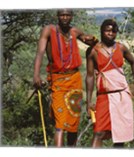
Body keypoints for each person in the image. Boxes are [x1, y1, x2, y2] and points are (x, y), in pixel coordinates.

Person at [33, 9, 97, 147]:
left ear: (72, 16)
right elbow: (40, 53)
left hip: (75, 80)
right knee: (61, 123)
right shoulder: (48, 30)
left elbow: (88, 40)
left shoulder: (74, 31)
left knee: (73, 123)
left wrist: (90, 40)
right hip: (58, 81)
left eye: (68, 15)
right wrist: (36, 75)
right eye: (62, 15)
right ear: (57, 16)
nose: (65, 17)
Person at [85, 19, 134, 148]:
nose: (110, 33)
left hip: (122, 95)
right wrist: (88, 102)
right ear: (101, 31)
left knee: (120, 136)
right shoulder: (94, 51)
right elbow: (89, 77)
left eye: (113, 31)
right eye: (107, 30)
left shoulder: (120, 47)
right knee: (98, 132)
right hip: (104, 96)